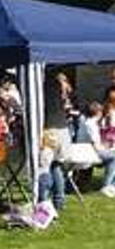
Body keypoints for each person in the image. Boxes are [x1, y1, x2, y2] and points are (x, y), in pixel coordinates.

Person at [42, 70, 70, 210]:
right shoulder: (61, 96)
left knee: (44, 166)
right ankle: (59, 200)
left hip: (50, 132)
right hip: (63, 131)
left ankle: (43, 200)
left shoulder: (45, 94)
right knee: (56, 166)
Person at [77, 101, 115, 197]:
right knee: (114, 157)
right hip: (89, 153)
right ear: (98, 112)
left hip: (84, 150)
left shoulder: (85, 121)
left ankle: (111, 184)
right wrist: (106, 148)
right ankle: (107, 185)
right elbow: (96, 146)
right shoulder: (91, 124)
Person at [38, 130, 63, 210]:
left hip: (43, 176)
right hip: (47, 175)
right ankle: (52, 206)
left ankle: (45, 209)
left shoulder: (46, 151)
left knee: (43, 195)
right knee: (45, 194)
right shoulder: (50, 151)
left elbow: (42, 163)